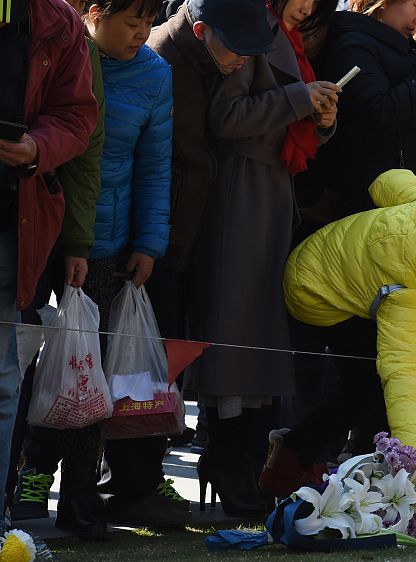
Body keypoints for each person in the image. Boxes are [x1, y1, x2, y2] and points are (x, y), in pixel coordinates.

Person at [185, 0, 338, 516]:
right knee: (238, 333)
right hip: (242, 193)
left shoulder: (282, 36)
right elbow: (226, 117)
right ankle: (228, 459)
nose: (309, 7)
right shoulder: (250, 32)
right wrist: (300, 99)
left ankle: (243, 462)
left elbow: (287, 118)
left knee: (261, 335)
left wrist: (319, 117)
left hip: (270, 192)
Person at [259, 169, 416, 497]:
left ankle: (304, 454)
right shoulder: (406, 293)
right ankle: (317, 463)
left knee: (369, 385)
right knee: (379, 384)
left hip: (330, 258)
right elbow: (402, 373)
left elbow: (387, 179)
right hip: (316, 293)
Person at [145, 0, 277, 461]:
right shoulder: (164, 57)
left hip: (183, 228)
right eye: (238, 49)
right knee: (144, 366)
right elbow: (166, 161)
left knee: (164, 363)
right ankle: (129, 481)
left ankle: (143, 480)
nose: (244, 60)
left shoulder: (207, 55)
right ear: (202, 31)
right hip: (156, 233)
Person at [77, 0, 179, 527]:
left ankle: (81, 493)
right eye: (131, 24)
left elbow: (154, 164)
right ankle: (26, 475)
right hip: (45, 228)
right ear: (94, 14)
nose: (141, 35)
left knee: (88, 371)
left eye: (147, 24)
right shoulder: (61, 54)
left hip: (108, 240)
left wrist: (148, 243)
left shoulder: (153, 74)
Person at [8, 0, 106, 538]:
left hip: (37, 225)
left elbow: (85, 144)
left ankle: (25, 500)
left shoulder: (65, 32)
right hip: (37, 225)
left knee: (14, 376)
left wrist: (78, 241)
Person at [317, 0, 416, 217]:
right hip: (377, 202)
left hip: (414, 193)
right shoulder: (354, 44)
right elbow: (381, 114)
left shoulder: (403, 45)